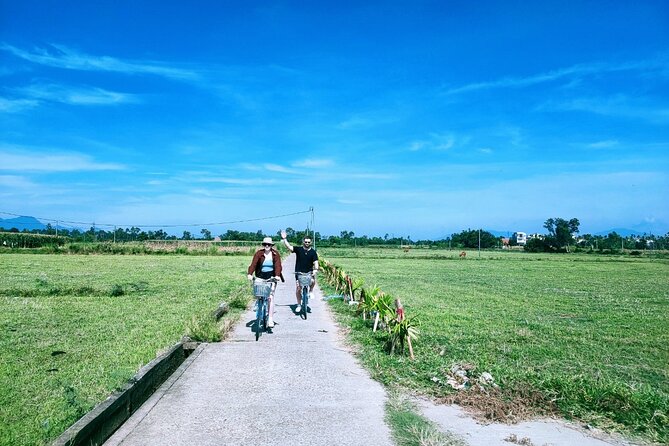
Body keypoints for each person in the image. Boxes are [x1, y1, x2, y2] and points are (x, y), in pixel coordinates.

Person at [247, 237, 284, 328]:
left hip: (271, 277)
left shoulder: (275, 254)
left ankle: (270, 319)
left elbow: (278, 265)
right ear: (263, 245)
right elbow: (253, 264)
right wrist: (250, 274)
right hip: (260, 276)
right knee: (259, 293)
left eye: (269, 244)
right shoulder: (259, 253)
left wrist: (277, 276)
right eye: (265, 244)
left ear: (271, 245)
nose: (267, 246)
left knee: (270, 297)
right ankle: (258, 303)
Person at [280, 230, 318, 312]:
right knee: (298, 288)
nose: (307, 243)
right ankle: (299, 304)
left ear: (311, 242)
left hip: (309, 272)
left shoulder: (313, 252)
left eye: (308, 242)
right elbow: (289, 247)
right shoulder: (299, 249)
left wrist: (315, 269)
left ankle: (311, 291)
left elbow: (316, 263)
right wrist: (285, 239)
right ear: (303, 242)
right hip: (299, 272)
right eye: (305, 242)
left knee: (313, 280)